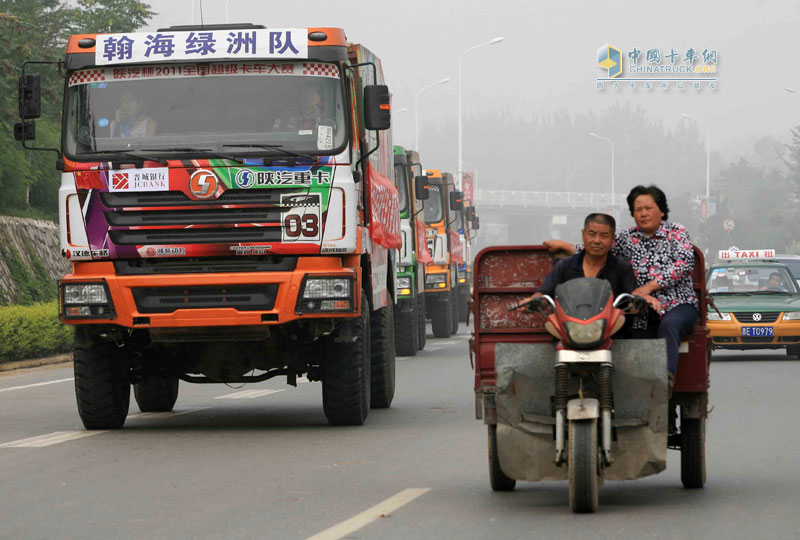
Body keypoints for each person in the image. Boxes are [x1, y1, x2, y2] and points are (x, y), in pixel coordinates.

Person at [545, 185, 698, 385]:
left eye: (648, 208)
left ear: (661, 210)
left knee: (669, 325)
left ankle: (665, 380)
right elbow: (598, 246)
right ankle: (626, 386)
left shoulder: (676, 232)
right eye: (637, 210)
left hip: (678, 303)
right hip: (641, 306)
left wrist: (650, 287)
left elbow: (685, 262)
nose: (643, 214)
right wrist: (567, 247)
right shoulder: (628, 238)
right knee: (625, 330)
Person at [524, 213, 658, 311]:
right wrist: (534, 300)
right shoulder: (565, 265)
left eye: (604, 236)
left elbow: (632, 298)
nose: (597, 240)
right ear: (583, 235)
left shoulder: (621, 267)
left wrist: (641, 303)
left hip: (611, 335)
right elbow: (545, 291)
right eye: (592, 234)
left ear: (613, 239)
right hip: (570, 331)